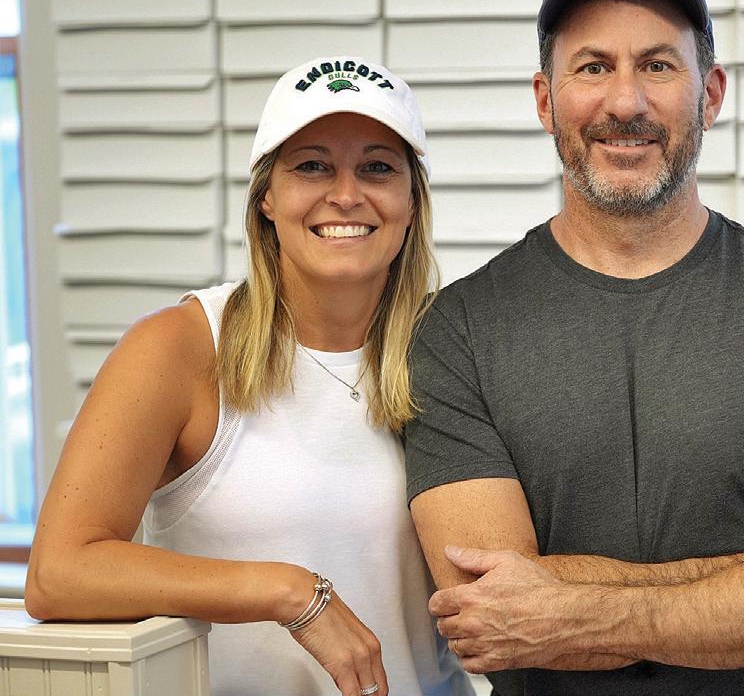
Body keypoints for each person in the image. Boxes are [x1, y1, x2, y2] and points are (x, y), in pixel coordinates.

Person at [404, 0, 744, 696]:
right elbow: (489, 616)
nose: (625, 102)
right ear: (545, 100)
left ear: (711, 94)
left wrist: (566, 606)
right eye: (592, 67)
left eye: (659, 65)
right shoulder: (458, 330)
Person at [24, 56, 473, 696]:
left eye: (377, 167)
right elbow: (59, 573)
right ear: (267, 197)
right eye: (311, 166)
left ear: (411, 201)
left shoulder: (454, 349)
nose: (346, 195)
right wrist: (289, 592)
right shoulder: (180, 346)